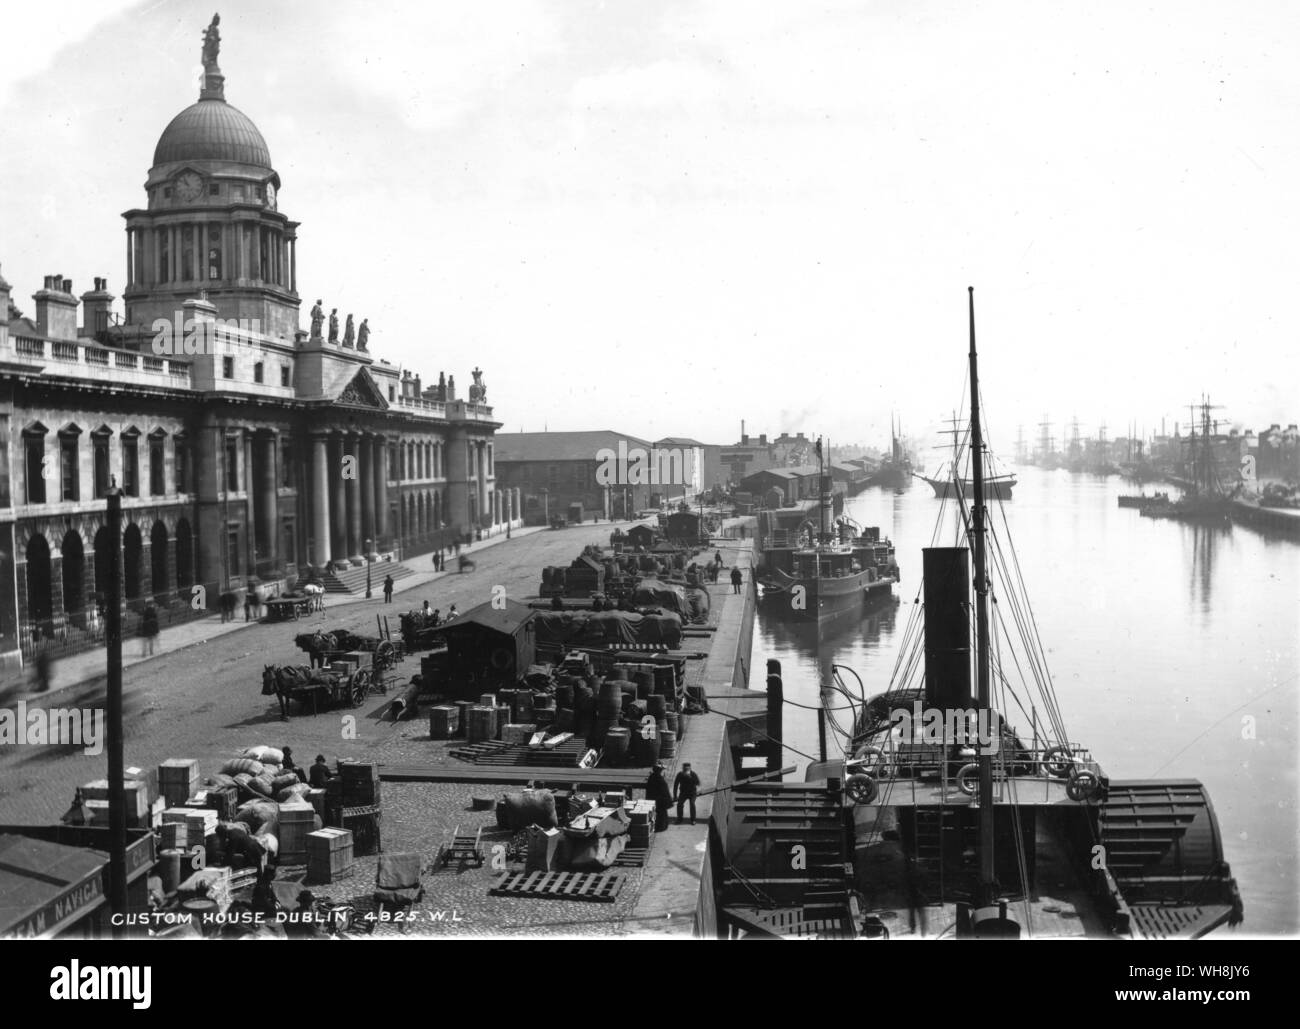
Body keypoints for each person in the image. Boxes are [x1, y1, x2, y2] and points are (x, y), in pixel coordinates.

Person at [645, 763, 672, 832]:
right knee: (661, 814)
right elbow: (664, 791)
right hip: (660, 800)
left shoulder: (652, 777)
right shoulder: (659, 779)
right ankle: (660, 827)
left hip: (653, 799)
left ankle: (657, 826)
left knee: (656, 813)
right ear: (659, 771)